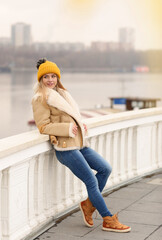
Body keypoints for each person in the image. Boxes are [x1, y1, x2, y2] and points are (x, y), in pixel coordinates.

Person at [32, 59, 131, 233]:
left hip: (79, 142)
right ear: (40, 79)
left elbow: (71, 115)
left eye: (53, 76)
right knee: (91, 181)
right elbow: (43, 126)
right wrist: (67, 128)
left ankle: (87, 205)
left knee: (105, 169)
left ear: (57, 77)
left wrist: (80, 124)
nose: (50, 80)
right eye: (46, 76)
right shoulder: (40, 98)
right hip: (65, 147)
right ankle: (108, 219)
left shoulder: (62, 93)